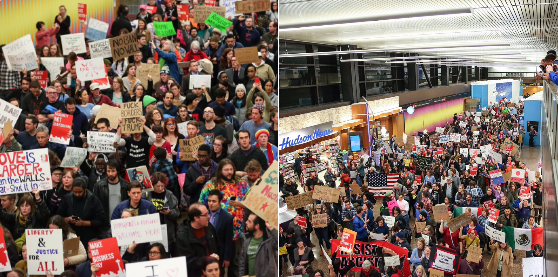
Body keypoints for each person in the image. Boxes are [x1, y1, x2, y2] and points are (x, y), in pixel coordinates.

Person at [57, 177, 105, 249]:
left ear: (85, 189)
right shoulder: (67, 198)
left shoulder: (93, 200)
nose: (77, 194)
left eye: (80, 192)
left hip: (89, 236)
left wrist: (83, 223)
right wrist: (68, 219)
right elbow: (58, 217)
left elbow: (101, 220)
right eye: (75, 192)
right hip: (71, 236)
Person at [176, 203, 219, 277]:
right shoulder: (182, 236)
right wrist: (207, 259)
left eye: (208, 213)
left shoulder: (209, 227)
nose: (208, 216)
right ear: (196, 218)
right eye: (205, 215)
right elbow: (188, 261)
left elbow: (217, 246)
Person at [142, 172, 180, 255]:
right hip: (151, 229)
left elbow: (177, 213)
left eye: (162, 186)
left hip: (166, 230)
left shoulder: (169, 195)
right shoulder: (146, 195)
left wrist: (169, 212)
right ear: (153, 185)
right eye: (157, 186)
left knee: (165, 253)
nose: (160, 188)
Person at [92, 159, 130, 236]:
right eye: (108, 171)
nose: (110, 174)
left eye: (113, 171)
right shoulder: (99, 186)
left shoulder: (126, 185)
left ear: (117, 171)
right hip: (105, 225)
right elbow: (95, 205)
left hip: (122, 223)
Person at [206, 189, 234, 271]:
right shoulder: (204, 214)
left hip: (220, 254)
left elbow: (228, 240)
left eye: (214, 201)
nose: (211, 204)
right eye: (209, 201)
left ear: (220, 202)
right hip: (206, 253)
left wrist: (227, 258)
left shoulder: (227, 218)